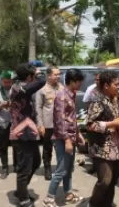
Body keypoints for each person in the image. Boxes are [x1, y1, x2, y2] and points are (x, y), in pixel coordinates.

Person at [42, 69, 86, 207]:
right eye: (79, 82)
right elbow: (60, 121)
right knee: (61, 169)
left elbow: (71, 118)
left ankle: (68, 194)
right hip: (62, 139)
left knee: (69, 168)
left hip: (71, 137)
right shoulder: (62, 96)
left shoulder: (71, 94)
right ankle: (49, 198)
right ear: (72, 81)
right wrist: (67, 140)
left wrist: (78, 134)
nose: (80, 84)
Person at [86, 70, 119, 207]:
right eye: (116, 84)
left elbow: (117, 118)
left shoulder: (117, 99)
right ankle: (93, 203)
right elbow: (90, 125)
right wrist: (111, 124)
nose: (118, 87)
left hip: (116, 146)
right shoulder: (97, 101)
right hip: (101, 147)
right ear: (106, 86)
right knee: (105, 180)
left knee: (114, 179)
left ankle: (107, 204)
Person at [10, 63, 46, 207]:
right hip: (20, 134)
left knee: (36, 162)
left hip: (29, 132)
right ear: (29, 77)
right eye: (33, 76)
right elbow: (42, 81)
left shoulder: (25, 87)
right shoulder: (18, 87)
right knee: (24, 168)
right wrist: (38, 72)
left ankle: (21, 190)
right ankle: (23, 198)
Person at [36, 66, 63, 180]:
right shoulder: (42, 90)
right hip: (48, 125)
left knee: (60, 147)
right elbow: (38, 108)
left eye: (59, 74)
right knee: (47, 148)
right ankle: (47, 168)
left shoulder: (62, 88)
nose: (58, 76)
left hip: (60, 124)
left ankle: (61, 168)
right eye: (56, 74)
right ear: (49, 75)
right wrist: (40, 125)